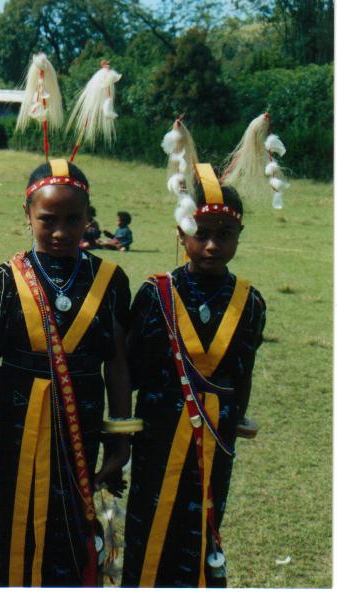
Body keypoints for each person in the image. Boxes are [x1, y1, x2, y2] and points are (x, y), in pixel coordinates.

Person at [0, 54, 132, 587]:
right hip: (11, 423)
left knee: (70, 527)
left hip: (79, 416)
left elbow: (118, 367)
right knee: (6, 522)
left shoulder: (109, 281)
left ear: (88, 218)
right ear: (27, 215)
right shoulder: (6, 279)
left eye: (73, 220)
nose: (60, 231)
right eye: (47, 220)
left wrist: (119, 442)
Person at [121, 116, 270, 588]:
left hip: (216, 433)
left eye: (224, 235)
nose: (211, 245)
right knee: (150, 518)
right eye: (200, 233)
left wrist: (237, 413)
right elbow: (133, 364)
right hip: (159, 429)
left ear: (239, 238)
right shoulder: (154, 293)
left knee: (206, 516)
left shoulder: (250, 301)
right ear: (181, 233)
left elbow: (243, 369)